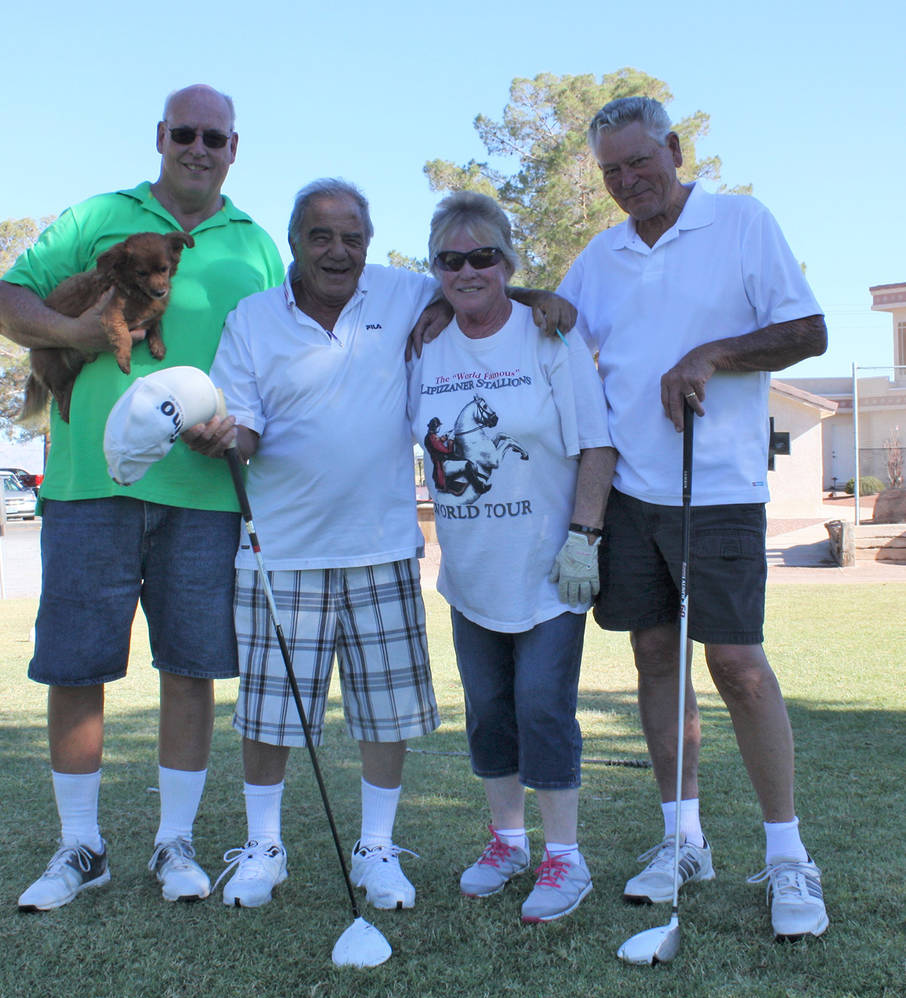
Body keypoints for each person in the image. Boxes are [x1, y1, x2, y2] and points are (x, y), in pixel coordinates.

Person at [187, 179, 576, 912]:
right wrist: (219, 438)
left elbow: (477, 283)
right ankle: (264, 846)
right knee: (271, 714)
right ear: (294, 242)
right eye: (321, 236)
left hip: (384, 545)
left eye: (353, 237)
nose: (338, 251)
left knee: (386, 713)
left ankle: (376, 846)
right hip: (282, 551)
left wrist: (539, 296)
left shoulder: (401, 292)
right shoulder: (252, 319)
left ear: (369, 243)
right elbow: (245, 430)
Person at [0, 84, 283, 911]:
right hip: (89, 487)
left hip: (205, 494)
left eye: (215, 137)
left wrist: (241, 425)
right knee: (77, 667)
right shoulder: (96, 217)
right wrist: (76, 333)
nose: (199, 147)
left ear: (233, 148)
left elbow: (277, 359)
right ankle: (81, 846)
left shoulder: (256, 244)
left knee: (190, 668)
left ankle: (174, 842)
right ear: (160, 136)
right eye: (185, 132)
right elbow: (0, 305)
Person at [558, 96, 829, 938]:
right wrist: (473, 301)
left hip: (719, 489)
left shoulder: (742, 223)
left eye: (640, 161)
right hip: (632, 493)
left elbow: (810, 331)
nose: (627, 181)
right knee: (654, 657)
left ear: (675, 149)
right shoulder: (601, 256)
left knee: (737, 664)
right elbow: (556, 327)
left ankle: (787, 853)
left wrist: (712, 352)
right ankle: (684, 839)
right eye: (611, 171)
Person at [407, 192, 615, 923]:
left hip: (549, 569)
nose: (467, 271)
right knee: (489, 711)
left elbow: (596, 443)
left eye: (483, 256)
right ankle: (507, 842)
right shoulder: (426, 343)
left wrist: (585, 538)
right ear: (435, 269)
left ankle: (566, 857)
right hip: (470, 572)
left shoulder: (548, 335)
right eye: (450, 259)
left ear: (508, 262)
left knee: (542, 706)